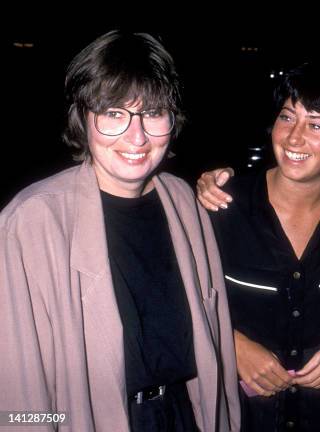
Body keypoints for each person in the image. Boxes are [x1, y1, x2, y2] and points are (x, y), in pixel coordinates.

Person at [0, 30, 239, 431]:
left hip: (183, 414)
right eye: (114, 113)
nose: (137, 135)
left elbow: (214, 341)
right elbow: (16, 395)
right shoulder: (30, 222)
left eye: (152, 113)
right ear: (83, 119)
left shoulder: (184, 201)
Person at [199, 62, 320, 431]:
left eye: (315, 125)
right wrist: (230, 343)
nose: (293, 138)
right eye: (287, 118)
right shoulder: (223, 204)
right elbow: (185, 293)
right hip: (237, 415)